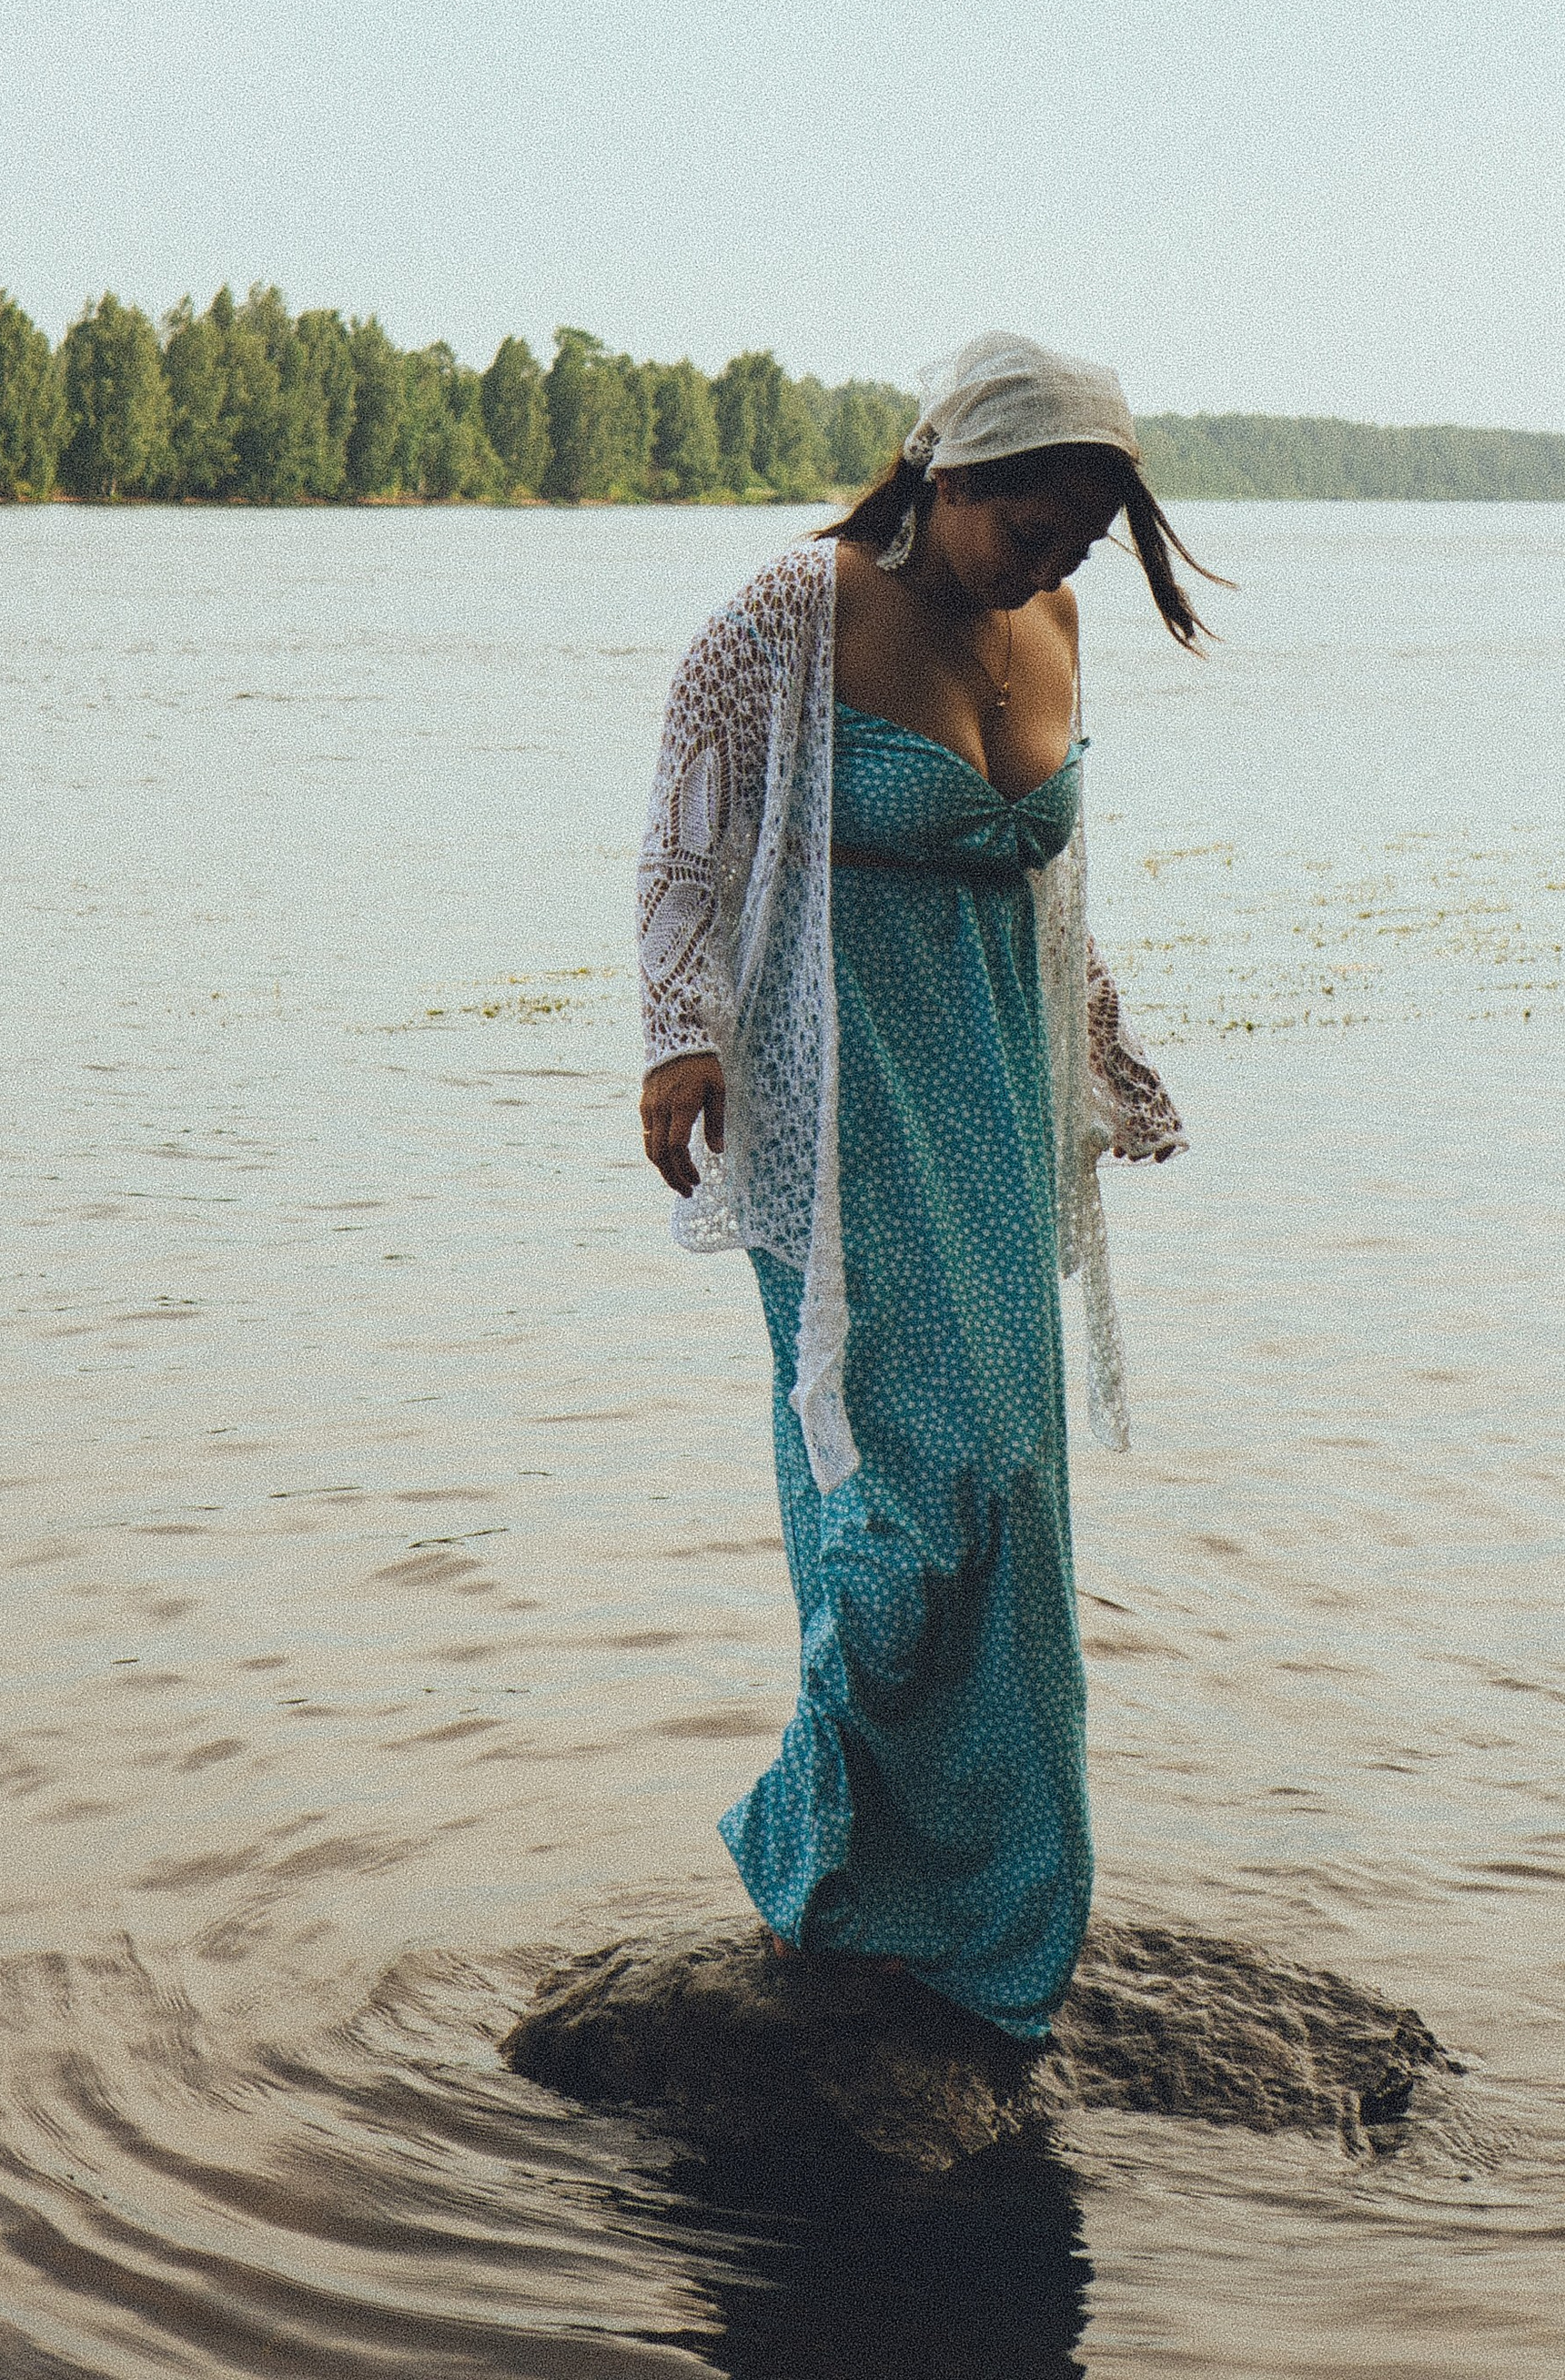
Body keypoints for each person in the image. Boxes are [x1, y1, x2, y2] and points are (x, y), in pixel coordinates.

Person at [636, 331, 1207, 2045]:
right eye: (1027, 530)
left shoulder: (1056, 625)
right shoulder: (787, 616)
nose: (1048, 569)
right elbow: (688, 831)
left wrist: (1098, 1052)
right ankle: (826, 1863)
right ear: (949, 479)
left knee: (1009, 1490)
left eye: (1079, 546)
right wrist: (678, 1038)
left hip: (987, 1093)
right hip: (835, 1109)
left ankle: (982, 1916)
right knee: (903, 1496)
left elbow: (1054, 880)